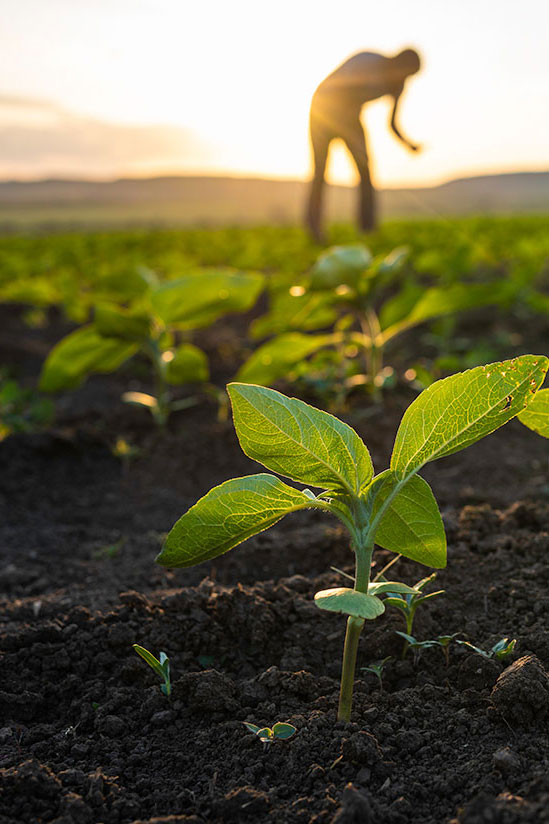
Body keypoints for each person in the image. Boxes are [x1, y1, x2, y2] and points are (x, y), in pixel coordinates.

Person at [306, 48, 422, 241]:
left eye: (409, 75)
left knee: (365, 170)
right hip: (322, 108)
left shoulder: (397, 85)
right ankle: (314, 229)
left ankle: (367, 229)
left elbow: (392, 123)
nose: (405, 77)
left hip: (351, 115)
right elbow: (341, 92)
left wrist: (408, 144)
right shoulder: (368, 61)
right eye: (405, 71)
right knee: (320, 171)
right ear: (398, 61)